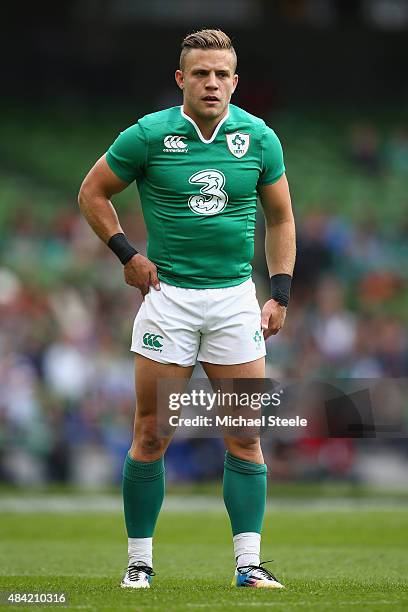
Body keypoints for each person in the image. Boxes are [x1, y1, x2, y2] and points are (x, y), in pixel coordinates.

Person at [78, 28, 296, 590]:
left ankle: (248, 566)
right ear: (181, 79)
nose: (212, 83)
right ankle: (139, 563)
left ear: (235, 81)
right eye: (201, 73)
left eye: (222, 74)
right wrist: (126, 253)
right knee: (152, 433)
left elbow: (281, 218)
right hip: (167, 300)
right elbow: (92, 192)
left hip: (233, 301)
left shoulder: (259, 137)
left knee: (245, 434)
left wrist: (280, 292)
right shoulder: (148, 135)